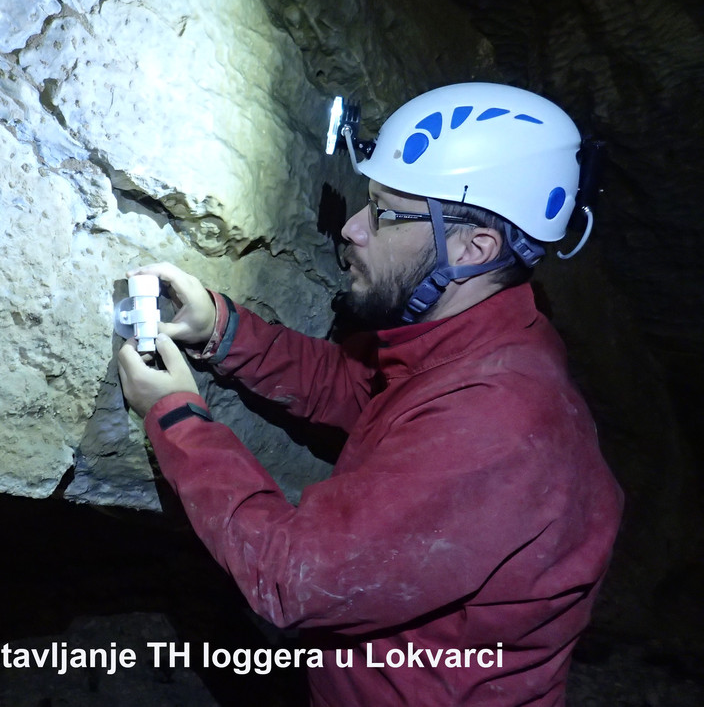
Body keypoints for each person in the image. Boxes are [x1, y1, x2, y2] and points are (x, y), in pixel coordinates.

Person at [116, 82, 623, 706]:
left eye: (385, 213)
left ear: (474, 249)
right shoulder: (482, 341)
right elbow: (360, 388)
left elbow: (289, 578)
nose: (353, 227)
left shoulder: (499, 430)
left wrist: (177, 419)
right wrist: (222, 329)